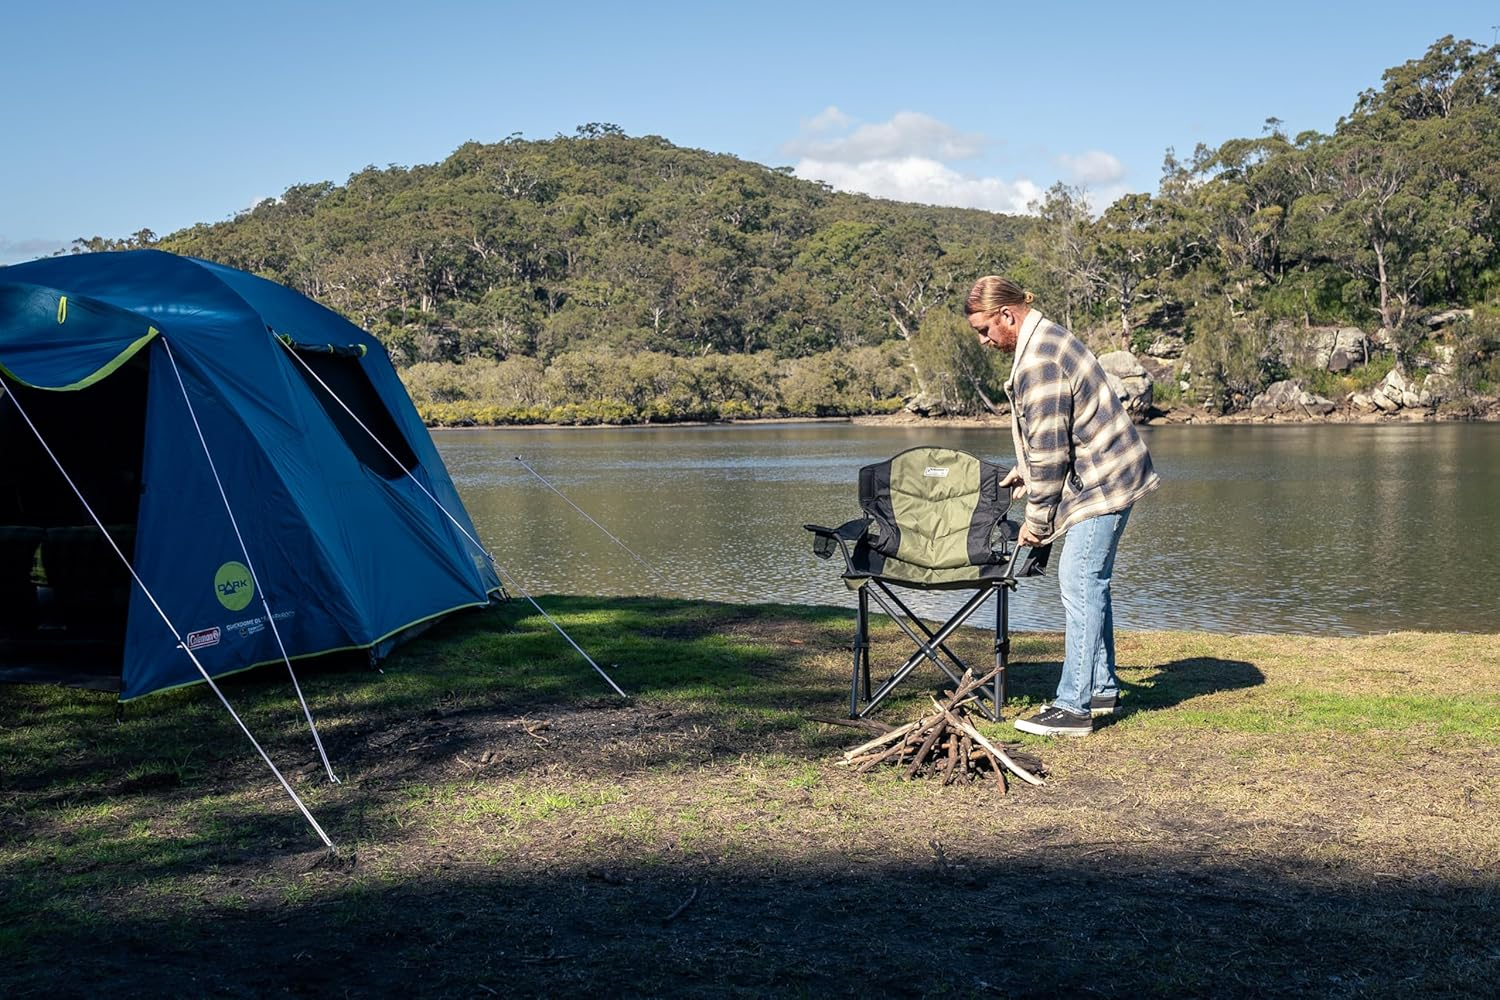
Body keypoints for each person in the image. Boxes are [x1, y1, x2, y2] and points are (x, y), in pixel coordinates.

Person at [966, 276, 1160, 736]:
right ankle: (1101, 687)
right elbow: (1059, 432)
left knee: (1080, 581)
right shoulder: (1046, 337)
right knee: (1091, 582)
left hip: (1103, 482)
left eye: (985, 329)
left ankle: (1073, 706)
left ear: (1007, 315)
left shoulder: (1039, 360)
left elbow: (1052, 452)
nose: (983, 340)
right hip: (1112, 473)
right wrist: (1027, 471)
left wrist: (1035, 523)